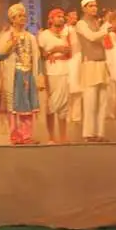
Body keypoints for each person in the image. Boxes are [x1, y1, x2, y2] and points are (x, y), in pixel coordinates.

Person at [0, 3, 43, 145]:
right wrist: (10, 44)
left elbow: (37, 57)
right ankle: (15, 135)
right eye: (19, 16)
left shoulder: (30, 37)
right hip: (14, 75)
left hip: (28, 75)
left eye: (24, 16)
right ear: (12, 19)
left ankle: (26, 136)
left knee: (27, 107)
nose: (23, 18)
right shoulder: (6, 36)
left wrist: (38, 76)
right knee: (13, 107)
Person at [75, 0, 111, 142]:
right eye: (91, 6)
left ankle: (100, 133)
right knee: (90, 100)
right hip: (90, 64)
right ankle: (88, 133)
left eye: (95, 5)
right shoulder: (81, 24)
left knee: (102, 101)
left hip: (102, 63)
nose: (94, 8)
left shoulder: (97, 23)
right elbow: (91, 37)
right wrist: (105, 29)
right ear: (84, 8)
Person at [38, 8, 72, 143]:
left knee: (64, 104)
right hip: (51, 71)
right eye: (58, 16)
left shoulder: (64, 35)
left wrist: (67, 51)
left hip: (64, 70)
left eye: (63, 16)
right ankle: (51, 137)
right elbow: (40, 54)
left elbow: (69, 54)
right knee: (52, 104)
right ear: (51, 19)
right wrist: (54, 49)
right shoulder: (44, 35)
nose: (61, 18)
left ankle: (63, 136)